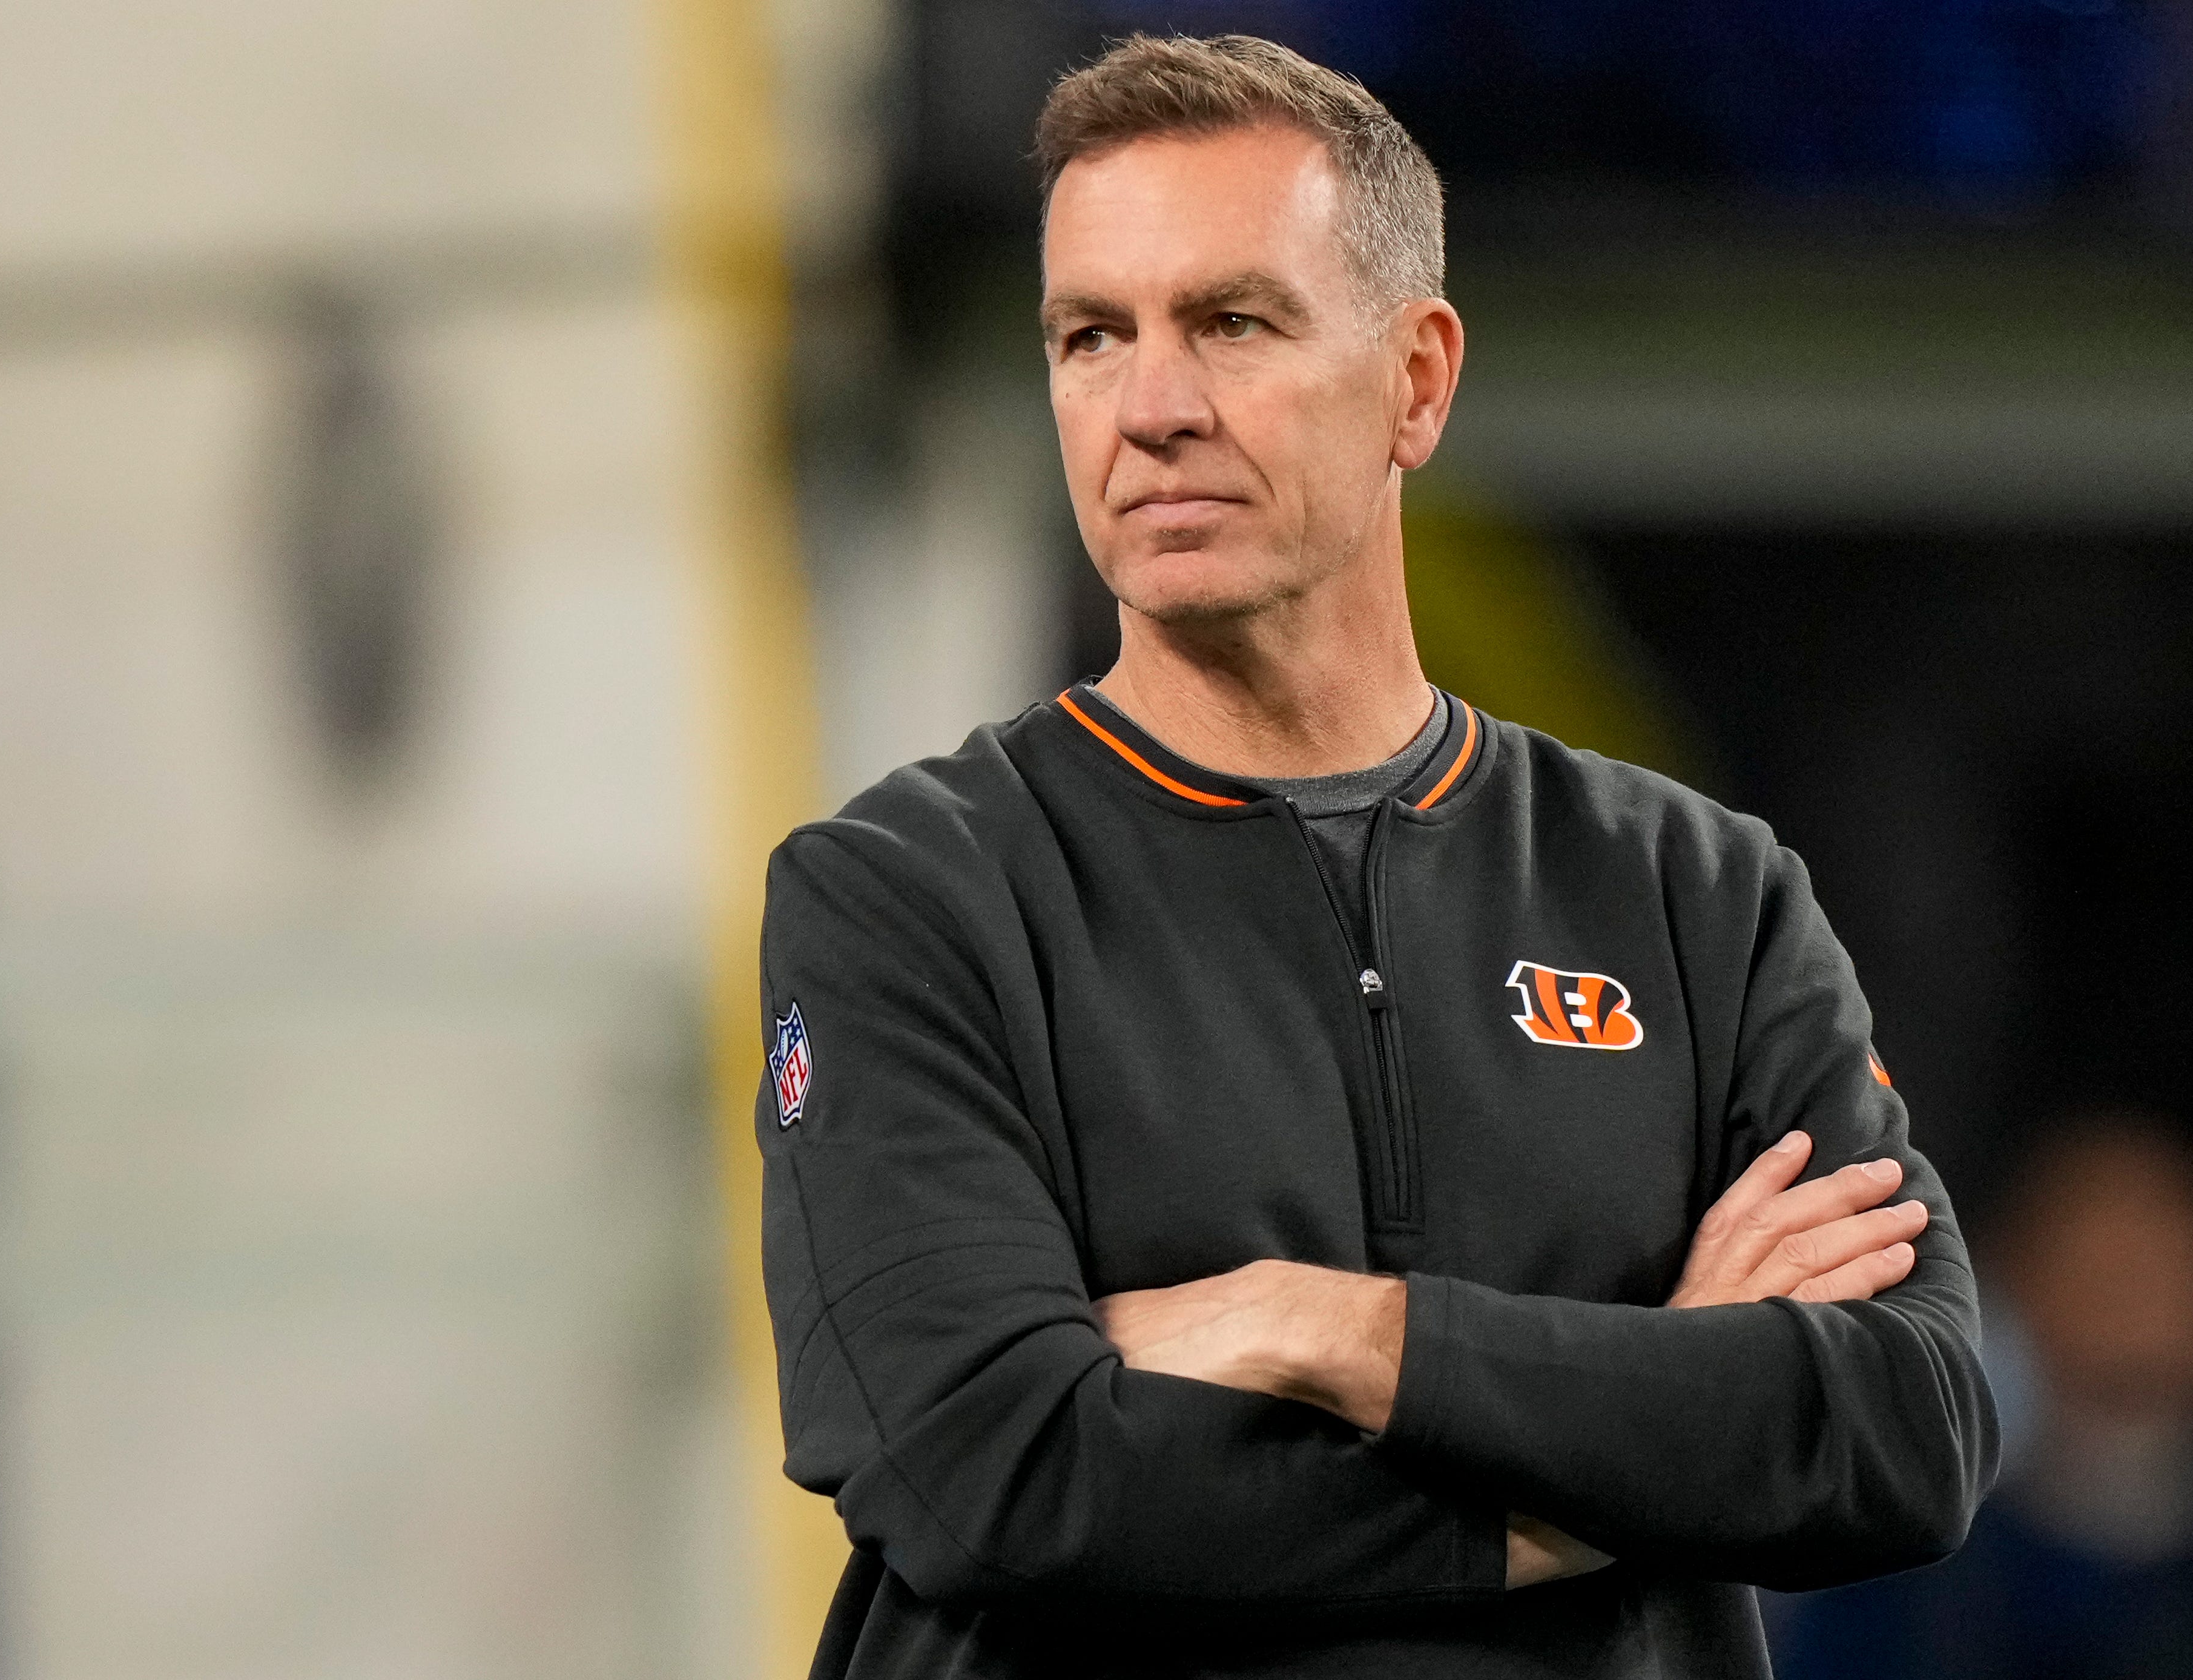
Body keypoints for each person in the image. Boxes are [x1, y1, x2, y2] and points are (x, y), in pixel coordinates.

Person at [756, 33, 1995, 1678]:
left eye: (1233, 322)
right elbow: (998, 1471)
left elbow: (1904, 1428)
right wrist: (1635, 1442)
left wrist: (1332, 1327)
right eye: (1088, 335)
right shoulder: (905, 895)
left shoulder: (1695, 889)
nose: (1151, 406)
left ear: (1417, 378)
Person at [1776, 1110, 2193, 1678]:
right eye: (2096, 1263)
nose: (2127, 1299)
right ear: (2014, 1274)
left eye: (2154, 1261)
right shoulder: (1909, 1552)